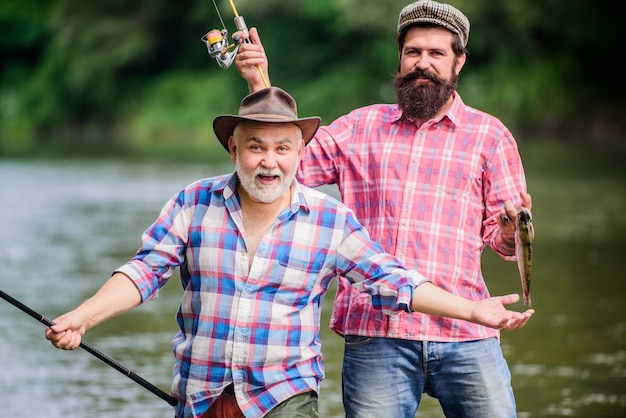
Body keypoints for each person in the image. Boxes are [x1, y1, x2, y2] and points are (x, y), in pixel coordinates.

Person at [45, 87, 533, 418]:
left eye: (283, 148)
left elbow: (396, 282)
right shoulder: (193, 202)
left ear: (302, 154)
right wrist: (84, 317)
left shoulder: (330, 220)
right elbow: (143, 272)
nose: (269, 161)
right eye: (256, 147)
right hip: (201, 396)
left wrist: (473, 309)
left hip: (285, 398)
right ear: (233, 149)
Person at [234, 1, 533, 417]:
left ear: (458, 61)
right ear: (400, 57)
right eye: (413, 53)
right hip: (377, 333)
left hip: (467, 331)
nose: (422, 64)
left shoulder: (490, 136)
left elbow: (503, 242)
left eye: (436, 54)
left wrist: (510, 229)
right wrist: (259, 81)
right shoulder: (359, 126)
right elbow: (284, 164)